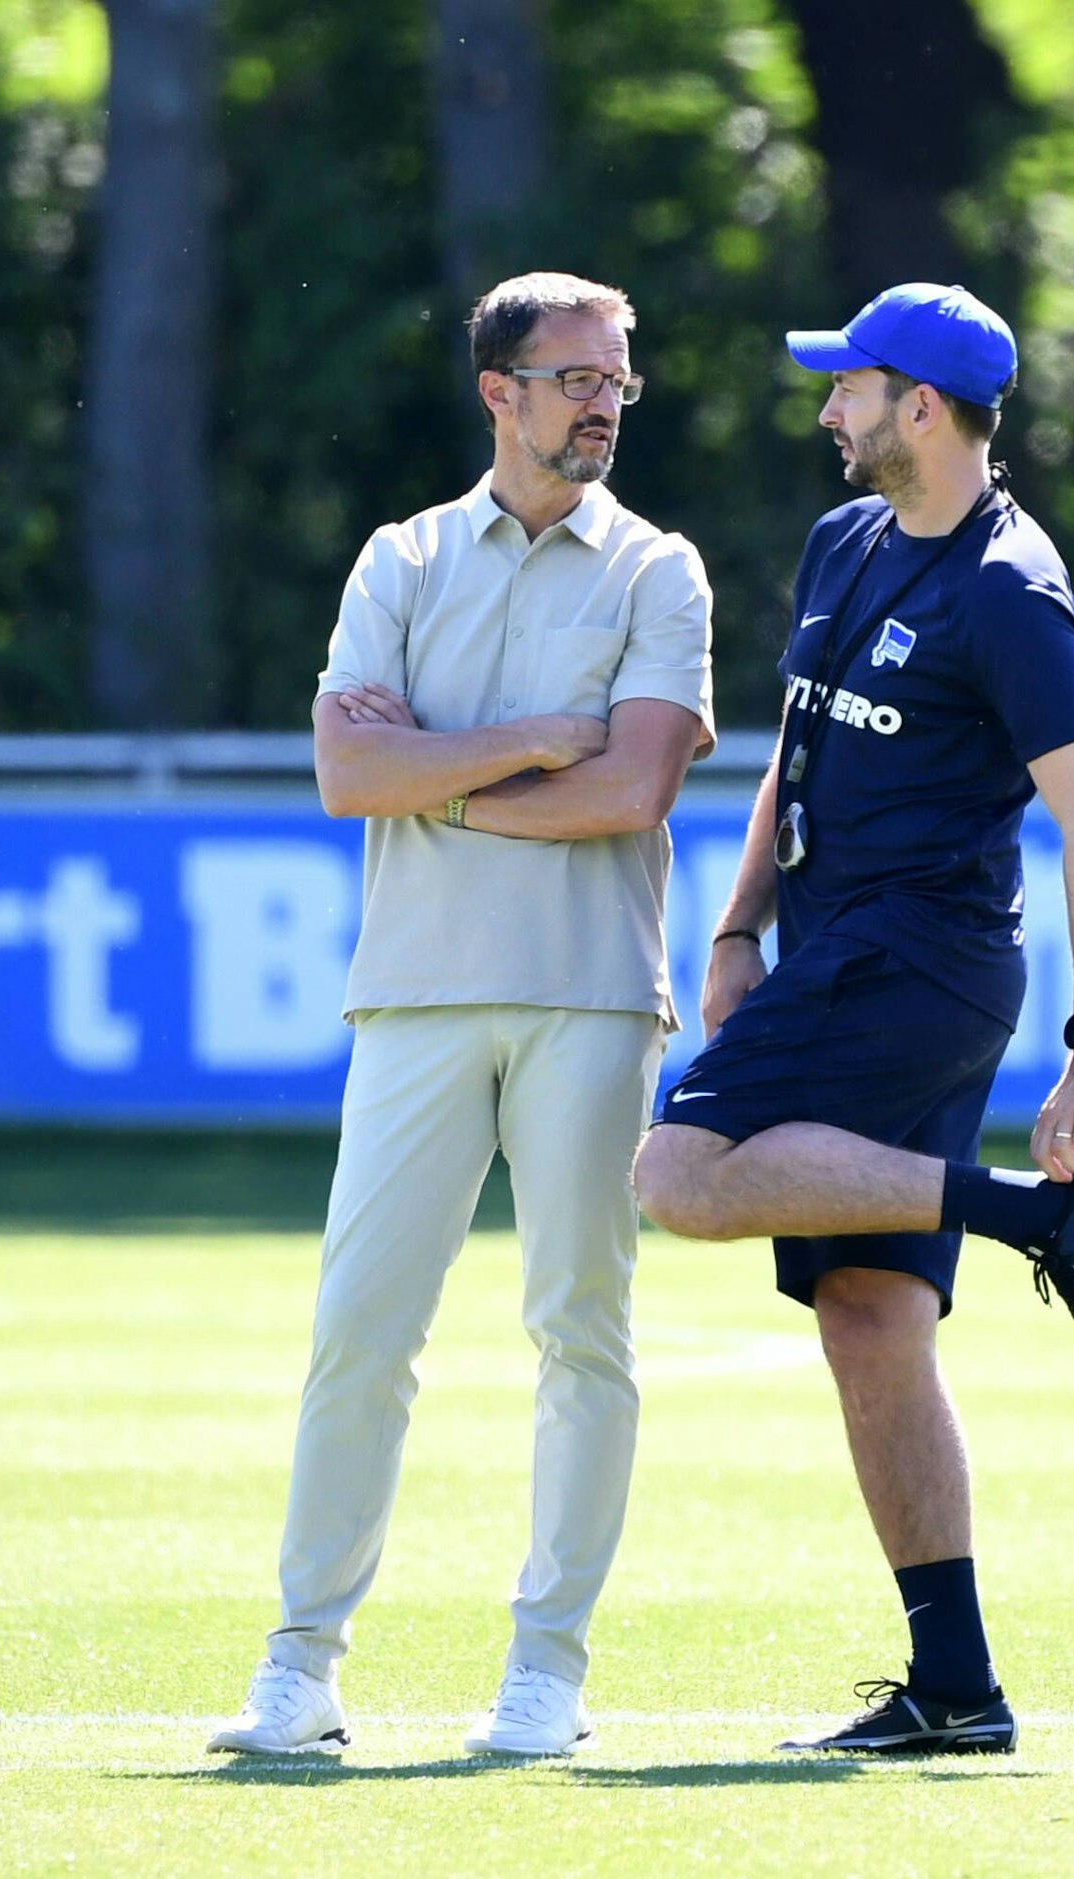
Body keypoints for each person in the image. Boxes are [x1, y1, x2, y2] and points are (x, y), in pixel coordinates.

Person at [632, 282, 1074, 1757]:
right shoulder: (844, 538)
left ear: (921, 407)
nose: (826, 407)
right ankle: (957, 1689)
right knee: (869, 1322)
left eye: (847, 385)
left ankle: (1044, 1218)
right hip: (834, 952)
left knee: (679, 1173)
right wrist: (737, 926)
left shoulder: (1009, 586)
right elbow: (791, 758)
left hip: (919, 964)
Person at [208, 272, 714, 1760]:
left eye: (617, 378)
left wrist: (441, 776)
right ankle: (301, 1666)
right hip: (416, 990)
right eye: (577, 378)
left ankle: (546, 1673)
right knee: (360, 1331)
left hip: (592, 993)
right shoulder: (404, 556)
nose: (605, 402)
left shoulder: (660, 569)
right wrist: (539, 742)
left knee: (581, 1335)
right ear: (501, 392)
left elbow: (634, 787)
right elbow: (348, 776)